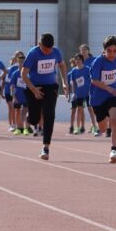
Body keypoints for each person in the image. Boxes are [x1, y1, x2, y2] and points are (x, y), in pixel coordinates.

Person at [21, 32, 69, 161]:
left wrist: (65, 82)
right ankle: (31, 118)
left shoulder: (56, 52)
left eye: (50, 49)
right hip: (34, 87)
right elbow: (24, 74)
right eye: (45, 49)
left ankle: (45, 147)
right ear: (39, 44)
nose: (48, 52)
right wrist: (34, 90)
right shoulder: (33, 53)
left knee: (49, 114)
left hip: (50, 87)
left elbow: (62, 66)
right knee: (34, 120)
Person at [88, 36, 116, 163]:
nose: (112, 54)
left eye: (115, 51)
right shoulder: (98, 62)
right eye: (109, 51)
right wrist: (109, 89)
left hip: (112, 96)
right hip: (97, 99)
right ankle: (103, 125)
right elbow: (94, 80)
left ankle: (114, 150)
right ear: (104, 50)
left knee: (115, 119)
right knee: (103, 129)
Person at [68, 55, 90, 135]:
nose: (77, 61)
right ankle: (72, 126)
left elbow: (91, 80)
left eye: (79, 59)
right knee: (74, 110)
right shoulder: (72, 71)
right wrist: (72, 93)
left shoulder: (87, 69)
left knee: (82, 110)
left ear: (82, 60)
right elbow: (71, 83)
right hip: (77, 94)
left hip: (86, 93)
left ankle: (83, 126)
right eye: (76, 60)